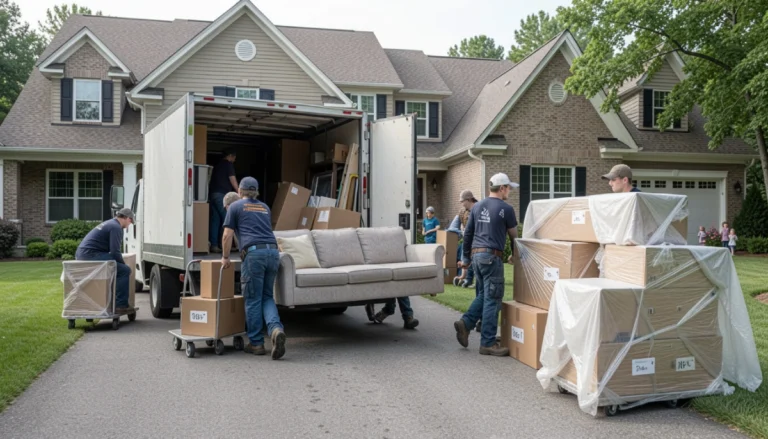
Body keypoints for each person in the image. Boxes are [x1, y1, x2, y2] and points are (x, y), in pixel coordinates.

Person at [221, 177, 286, 360]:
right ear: (256, 192)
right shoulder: (264, 207)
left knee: (252, 299)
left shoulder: (235, 207)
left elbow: (227, 235)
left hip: (254, 255)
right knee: (267, 296)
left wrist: (225, 257)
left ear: (240, 192)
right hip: (273, 253)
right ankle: (276, 329)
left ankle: (256, 343)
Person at [453, 173, 518, 356]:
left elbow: (467, 235)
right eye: (509, 188)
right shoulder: (506, 209)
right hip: (492, 257)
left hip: (476, 257)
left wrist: (466, 259)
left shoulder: (477, 206)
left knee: (483, 294)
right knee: (492, 298)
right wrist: (514, 255)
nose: (509, 192)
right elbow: (514, 237)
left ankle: (466, 324)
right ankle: (487, 343)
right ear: (502, 188)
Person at [75, 208, 135, 314]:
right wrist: (122, 264)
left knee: (118, 268)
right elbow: (115, 251)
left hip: (84, 253)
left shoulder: (110, 223)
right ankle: (120, 305)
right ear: (125, 218)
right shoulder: (116, 227)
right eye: (130, 221)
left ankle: (111, 301)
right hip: (91, 254)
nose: (130, 224)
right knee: (124, 270)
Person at [209, 149, 239, 253]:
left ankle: (214, 245)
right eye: (234, 158)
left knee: (215, 220)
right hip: (221, 195)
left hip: (213, 194)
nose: (234, 160)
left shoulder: (218, 165)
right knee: (228, 219)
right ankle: (226, 245)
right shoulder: (228, 164)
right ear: (230, 156)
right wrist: (239, 192)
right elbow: (232, 179)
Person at [456, 190, 478, 288]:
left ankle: (471, 280)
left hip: (478, 240)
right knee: (466, 256)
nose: (461, 203)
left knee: (475, 260)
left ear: (469, 199)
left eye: (463, 201)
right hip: (468, 239)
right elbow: (456, 224)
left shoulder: (479, 209)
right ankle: (466, 278)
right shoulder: (463, 212)